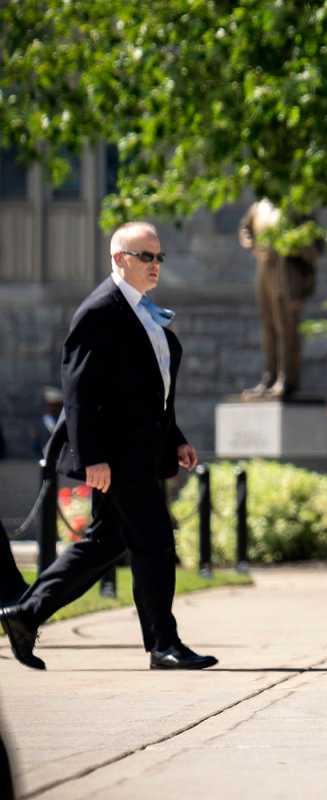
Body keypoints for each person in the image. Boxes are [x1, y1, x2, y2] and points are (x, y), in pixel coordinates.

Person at [0, 221, 216, 671]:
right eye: (145, 256)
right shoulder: (100, 310)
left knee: (105, 542)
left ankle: (26, 613)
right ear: (119, 259)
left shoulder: (142, 311)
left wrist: (174, 438)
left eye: (159, 257)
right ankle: (164, 644)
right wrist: (90, 456)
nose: (155, 265)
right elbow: (77, 393)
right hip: (116, 458)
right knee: (155, 542)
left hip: (141, 453)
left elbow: (151, 390)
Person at [238, 199, 324, 399]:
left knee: (287, 327)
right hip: (265, 268)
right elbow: (245, 228)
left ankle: (287, 380)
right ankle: (269, 377)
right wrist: (252, 244)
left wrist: (295, 246)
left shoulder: (297, 206)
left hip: (288, 271)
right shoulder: (260, 207)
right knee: (268, 326)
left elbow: (317, 245)